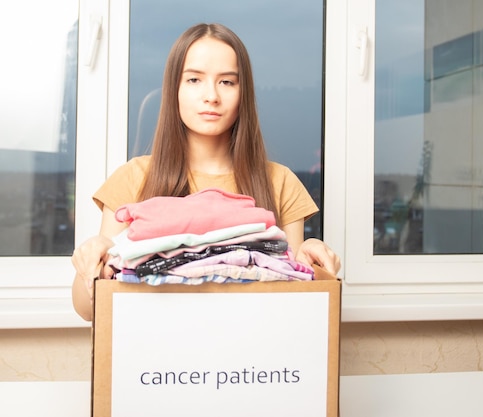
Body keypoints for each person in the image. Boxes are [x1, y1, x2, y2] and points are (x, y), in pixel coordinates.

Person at [71, 23, 341, 321]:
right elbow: (89, 311)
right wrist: (95, 264)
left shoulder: (281, 182)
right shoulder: (133, 177)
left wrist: (312, 261)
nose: (211, 95)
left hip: (252, 360)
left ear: (244, 93)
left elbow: (296, 297)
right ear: (174, 88)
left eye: (227, 82)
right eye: (194, 79)